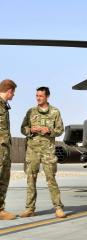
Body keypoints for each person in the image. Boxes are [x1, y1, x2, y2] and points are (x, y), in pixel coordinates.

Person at [20, 87, 66, 218]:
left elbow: (60, 130)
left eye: (40, 96)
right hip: (32, 150)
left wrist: (49, 130)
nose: (38, 98)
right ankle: (29, 208)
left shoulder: (55, 112)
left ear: (47, 97)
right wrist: (30, 129)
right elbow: (23, 128)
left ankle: (58, 207)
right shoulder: (31, 111)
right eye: (37, 96)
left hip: (48, 151)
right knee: (30, 179)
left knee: (51, 179)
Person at [0, 79, 17, 220]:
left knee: (4, 177)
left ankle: (0, 209)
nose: (14, 96)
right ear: (9, 90)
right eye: (13, 93)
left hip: (4, 147)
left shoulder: (4, 105)